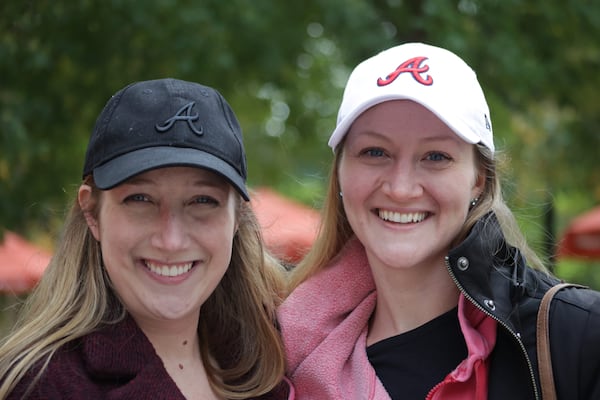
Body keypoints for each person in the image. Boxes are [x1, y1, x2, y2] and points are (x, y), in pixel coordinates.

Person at [278, 43, 600, 399]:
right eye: (375, 152)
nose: (401, 188)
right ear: (340, 174)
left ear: (478, 178)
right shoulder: (276, 356)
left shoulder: (578, 337)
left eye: (435, 156)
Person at [0, 78, 292, 399]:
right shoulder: (40, 386)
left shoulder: (281, 358)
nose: (171, 241)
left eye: (202, 200)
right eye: (140, 199)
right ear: (92, 213)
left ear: (237, 217)